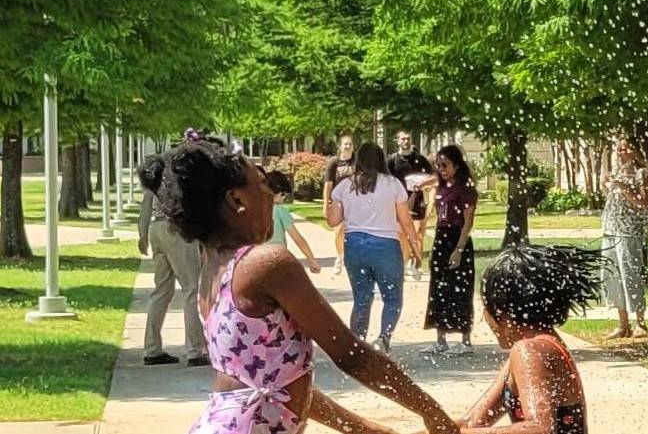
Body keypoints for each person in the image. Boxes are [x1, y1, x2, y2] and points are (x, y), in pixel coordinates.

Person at [137, 132, 457, 434]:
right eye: (261, 184)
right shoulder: (267, 264)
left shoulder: (215, 273)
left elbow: (277, 386)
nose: (271, 195)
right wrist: (435, 415)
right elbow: (352, 355)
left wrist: (363, 428)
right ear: (236, 200)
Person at [452, 244, 605, 434]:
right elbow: (470, 422)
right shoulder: (537, 346)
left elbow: (539, 430)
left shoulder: (530, 350)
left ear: (500, 310)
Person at [327, 142, 423, 354]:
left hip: (354, 245)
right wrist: (416, 247)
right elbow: (406, 221)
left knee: (362, 297)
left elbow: (333, 221)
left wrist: (332, 203)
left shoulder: (345, 186)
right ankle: (383, 337)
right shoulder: (392, 184)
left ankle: (357, 341)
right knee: (392, 297)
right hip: (385, 245)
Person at [137, 170, 209, 367]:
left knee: (161, 291)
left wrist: (143, 235)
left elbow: (145, 206)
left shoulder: (157, 177)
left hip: (156, 229)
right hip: (178, 232)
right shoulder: (184, 178)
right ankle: (195, 350)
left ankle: (152, 349)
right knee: (191, 289)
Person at [421, 145, 478, 356]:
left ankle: (465, 339)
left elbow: (468, 223)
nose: (441, 169)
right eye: (438, 166)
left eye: (445, 165)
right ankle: (440, 338)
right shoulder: (441, 186)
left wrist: (459, 250)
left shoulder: (465, 189)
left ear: (456, 165)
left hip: (457, 237)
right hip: (441, 236)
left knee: (461, 289)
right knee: (439, 288)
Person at [600, 138, 648, 339]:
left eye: (625, 149)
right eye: (618, 149)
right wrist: (605, 183)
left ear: (635, 151)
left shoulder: (642, 174)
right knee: (611, 275)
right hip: (610, 229)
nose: (621, 153)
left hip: (629, 231)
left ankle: (640, 323)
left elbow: (643, 202)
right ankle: (623, 324)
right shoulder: (618, 173)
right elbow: (611, 199)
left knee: (630, 275)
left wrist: (624, 187)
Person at [388, 131, 437, 281]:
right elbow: (384, 180)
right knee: (402, 234)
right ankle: (404, 263)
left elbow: (434, 177)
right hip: (398, 202)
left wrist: (423, 185)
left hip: (417, 200)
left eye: (408, 138)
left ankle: (416, 264)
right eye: (402, 139)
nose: (406, 141)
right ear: (397, 141)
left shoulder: (420, 159)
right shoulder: (392, 161)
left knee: (417, 233)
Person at [264, 170, 321, 274]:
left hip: (256, 259)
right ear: (278, 193)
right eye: (284, 195)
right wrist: (312, 260)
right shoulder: (280, 211)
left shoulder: (254, 211)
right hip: (277, 259)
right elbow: (298, 239)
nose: (285, 198)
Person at [323, 135, 355, 276]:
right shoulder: (334, 163)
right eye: (345, 144)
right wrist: (326, 204)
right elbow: (328, 185)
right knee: (339, 230)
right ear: (340, 146)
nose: (348, 146)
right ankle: (339, 256)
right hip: (338, 201)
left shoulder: (357, 162)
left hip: (356, 201)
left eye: (350, 144)